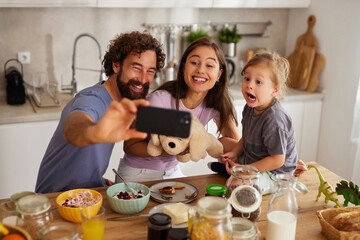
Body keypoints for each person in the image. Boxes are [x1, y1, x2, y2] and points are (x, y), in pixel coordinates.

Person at [35, 31, 166, 193]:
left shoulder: (117, 102)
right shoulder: (92, 99)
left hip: (85, 193)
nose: (142, 78)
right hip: (56, 200)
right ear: (116, 65)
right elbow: (75, 127)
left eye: (150, 71)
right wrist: (95, 132)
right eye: (136, 67)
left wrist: (95, 181)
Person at [116, 37, 241, 182]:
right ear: (183, 67)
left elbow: (236, 143)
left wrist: (221, 148)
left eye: (209, 65)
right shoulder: (159, 100)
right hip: (138, 173)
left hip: (171, 171)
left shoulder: (216, 104)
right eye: (194, 63)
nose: (200, 70)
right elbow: (130, 146)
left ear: (219, 74)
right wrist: (173, 149)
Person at [215, 52, 301, 194]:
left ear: (274, 90)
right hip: (256, 159)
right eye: (247, 78)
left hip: (275, 174)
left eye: (258, 82)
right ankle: (237, 169)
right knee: (222, 143)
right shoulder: (250, 108)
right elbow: (248, 137)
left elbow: (277, 160)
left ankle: (238, 176)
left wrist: (245, 171)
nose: (249, 85)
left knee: (234, 185)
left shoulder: (274, 120)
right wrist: (235, 152)